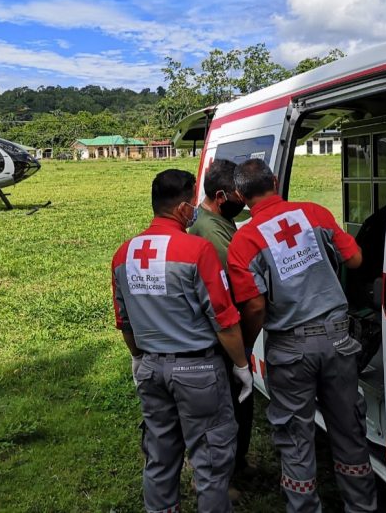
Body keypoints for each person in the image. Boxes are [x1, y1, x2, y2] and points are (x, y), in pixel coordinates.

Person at [226, 159, 376, 513]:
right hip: (338, 340)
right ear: (275, 180)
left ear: (240, 196)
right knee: (349, 430)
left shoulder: (244, 241)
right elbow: (355, 260)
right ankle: (362, 506)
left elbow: (255, 307)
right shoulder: (315, 213)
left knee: (295, 439)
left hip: (290, 348)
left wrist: (245, 347)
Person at [111, 169, 253, 513]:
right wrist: (241, 365)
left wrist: (137, 358)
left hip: (150, 369)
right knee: (211, 462)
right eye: (192, 203)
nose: (195, 210)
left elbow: (124, 322)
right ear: (181, 208)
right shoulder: (197, 250)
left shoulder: (123, 254)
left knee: (159, 455)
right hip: (198, 372)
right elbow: (224, 318)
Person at [188, 159, 255, 482]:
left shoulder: (217, 219)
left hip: (226, 332)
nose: (243, 202)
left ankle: (236, 465)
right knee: (232, 406)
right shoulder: (211, 232)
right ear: (219, 196)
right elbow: (240, 285)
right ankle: (228, 473)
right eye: (239, 196)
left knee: (239, 404)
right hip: (223, 335)